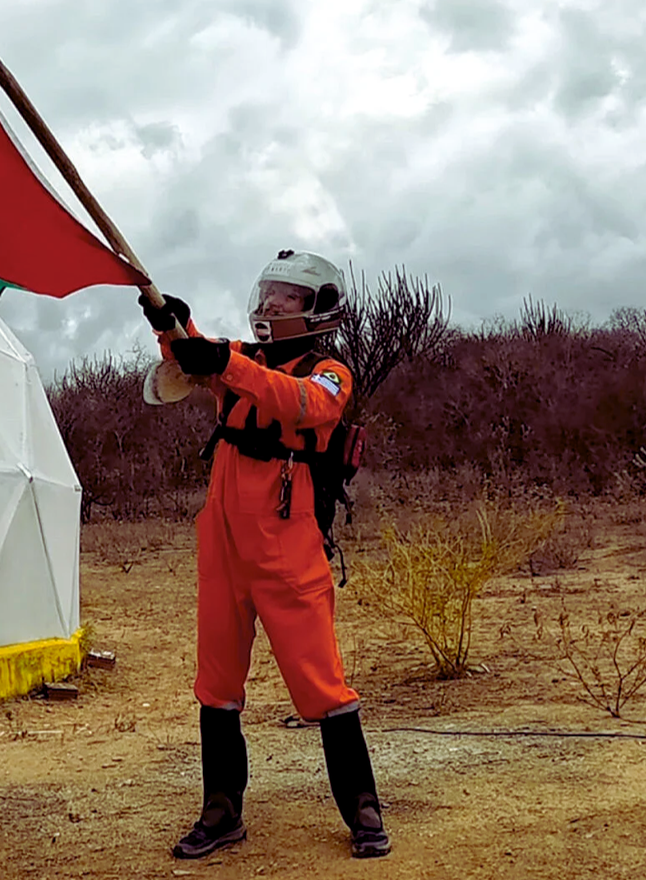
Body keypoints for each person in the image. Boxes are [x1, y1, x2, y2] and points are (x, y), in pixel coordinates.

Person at [139, 249, 390, 860]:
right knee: (216, 683)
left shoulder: (330, 373)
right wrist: (170, 322)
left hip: (287, 542)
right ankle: (221, 810)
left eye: (288, 296)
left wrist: (222, 361)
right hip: (223, 543)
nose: (271, 303)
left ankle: (363, 809)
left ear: (317, 309)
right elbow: (193, 358)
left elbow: (304, 404)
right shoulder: (242, 358)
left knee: (322, 682)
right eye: (270, 291)